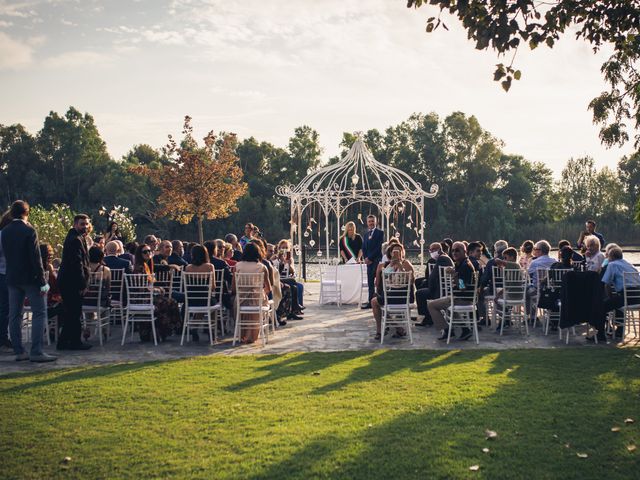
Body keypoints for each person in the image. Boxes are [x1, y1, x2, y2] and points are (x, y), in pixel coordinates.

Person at [1, 200, 57, 362]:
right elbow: (36, 258)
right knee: (39, 313)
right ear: (26, 213)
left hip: (11, 277)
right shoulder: (29, 230)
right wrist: (42, 282)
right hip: (30, 278)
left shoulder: (5, 231)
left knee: (14, 315)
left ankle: (19, 351)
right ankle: (36, 351)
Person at [427, 241, 476, 341]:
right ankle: (465, 329)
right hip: (462, 298)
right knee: (445, 304)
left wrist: (454, 274)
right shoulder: (462, 263)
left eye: (457, 250)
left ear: (464, 251)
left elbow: (462, 287)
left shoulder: (465, 266)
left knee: (431, 305)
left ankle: (447, 330)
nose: (454, 253)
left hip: (463, 299)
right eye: (452, 250)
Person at [57, 214, 92, 350]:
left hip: (69, 281)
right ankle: (73, 342)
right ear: (75, 224)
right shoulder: (75, 239)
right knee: (74, 313)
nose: (85, 226)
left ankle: (65, 342)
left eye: (86, 224)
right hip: (71, 282)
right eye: (82, 224)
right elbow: (77, 264)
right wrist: (83, 284)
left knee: (72, 313)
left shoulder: (78, 237)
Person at [371, 243, 415, 340]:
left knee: (376, 302)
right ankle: (390, 328)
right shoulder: (388, 266)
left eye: (399, 251)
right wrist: (391, 265)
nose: (397, 253)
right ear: (390, 253)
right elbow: (384, 277)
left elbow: (411, 280)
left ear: (402, 252)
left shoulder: (406, 263)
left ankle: (388, 329)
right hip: (391, 295)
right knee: (376, 301)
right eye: (395, 251)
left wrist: (400, 266)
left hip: (404, 295)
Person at [233, 242, 271, 343]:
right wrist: (262, 293)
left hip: (241, 299)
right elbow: (269, 288)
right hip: (256, 300)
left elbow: (233, 287)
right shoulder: (262, 267)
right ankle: (251, 334)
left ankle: (243, 334)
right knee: (260, 300)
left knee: (243, 302)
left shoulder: (237, 266)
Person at [600, 246, 640, 341]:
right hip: (638, 296)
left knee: (602, 306)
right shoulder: (630, 265)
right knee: (617, 302)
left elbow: (606, 284)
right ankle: (619, 330)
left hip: (627, 297)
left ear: (611, 257)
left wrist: (609, 297)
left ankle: (600, 334)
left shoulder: (612, 265)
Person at [415, 242, 453, 327]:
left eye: (433, 250)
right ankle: (429, 316)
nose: (431, 252)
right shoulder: (445, 258)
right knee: (420, 285)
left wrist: (430, 288)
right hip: (444, 288)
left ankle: (428, 318)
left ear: (439, 250)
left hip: (440, 291)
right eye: (430, 250)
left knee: (420, 293)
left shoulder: (441, 259)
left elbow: (432, 276)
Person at [361, 215, 384, 309]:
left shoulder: (380, 233)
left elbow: (379, 247)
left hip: (377, 261)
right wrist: (365, 258)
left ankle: (379, 301)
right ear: (367, 222)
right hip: (369, 263)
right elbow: (363, 248)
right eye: (369, 221)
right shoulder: (366, 234)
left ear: (376, 222)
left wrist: (370, 258)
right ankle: (370, 302)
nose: (371, 223)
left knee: (378, 283)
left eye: (372, 221)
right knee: (370, 282)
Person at [0, 210, 12, 351]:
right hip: (5, 274)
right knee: (6, 308)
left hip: (4, 273)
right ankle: (3, 338)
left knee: (5, 308)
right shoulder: (4, 235)